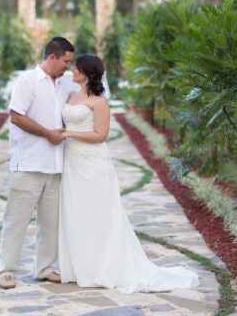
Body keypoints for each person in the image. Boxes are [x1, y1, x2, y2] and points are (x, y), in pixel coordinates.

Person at [58, 53, 199, 293]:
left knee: (99, 213)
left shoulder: (99, 101)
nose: (72, 70)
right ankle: (79, 266)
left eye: (76, 67)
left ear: (86, 71)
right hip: (71, 162)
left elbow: (100, 135)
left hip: (93, 163)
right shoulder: (71, 95)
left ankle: (104, 267)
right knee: (75, 212)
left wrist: (70, 134)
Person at [0, 36, 75, 290]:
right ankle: (7, 271)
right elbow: (16, 117)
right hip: (28, 164)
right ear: (52, 57)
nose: (68, 67)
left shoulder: (64, 86)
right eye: (65, 61)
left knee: (50, 223)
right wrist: (48, 134)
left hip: (55, 165)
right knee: (16, 221)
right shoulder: (27, 81)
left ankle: (44, 268)